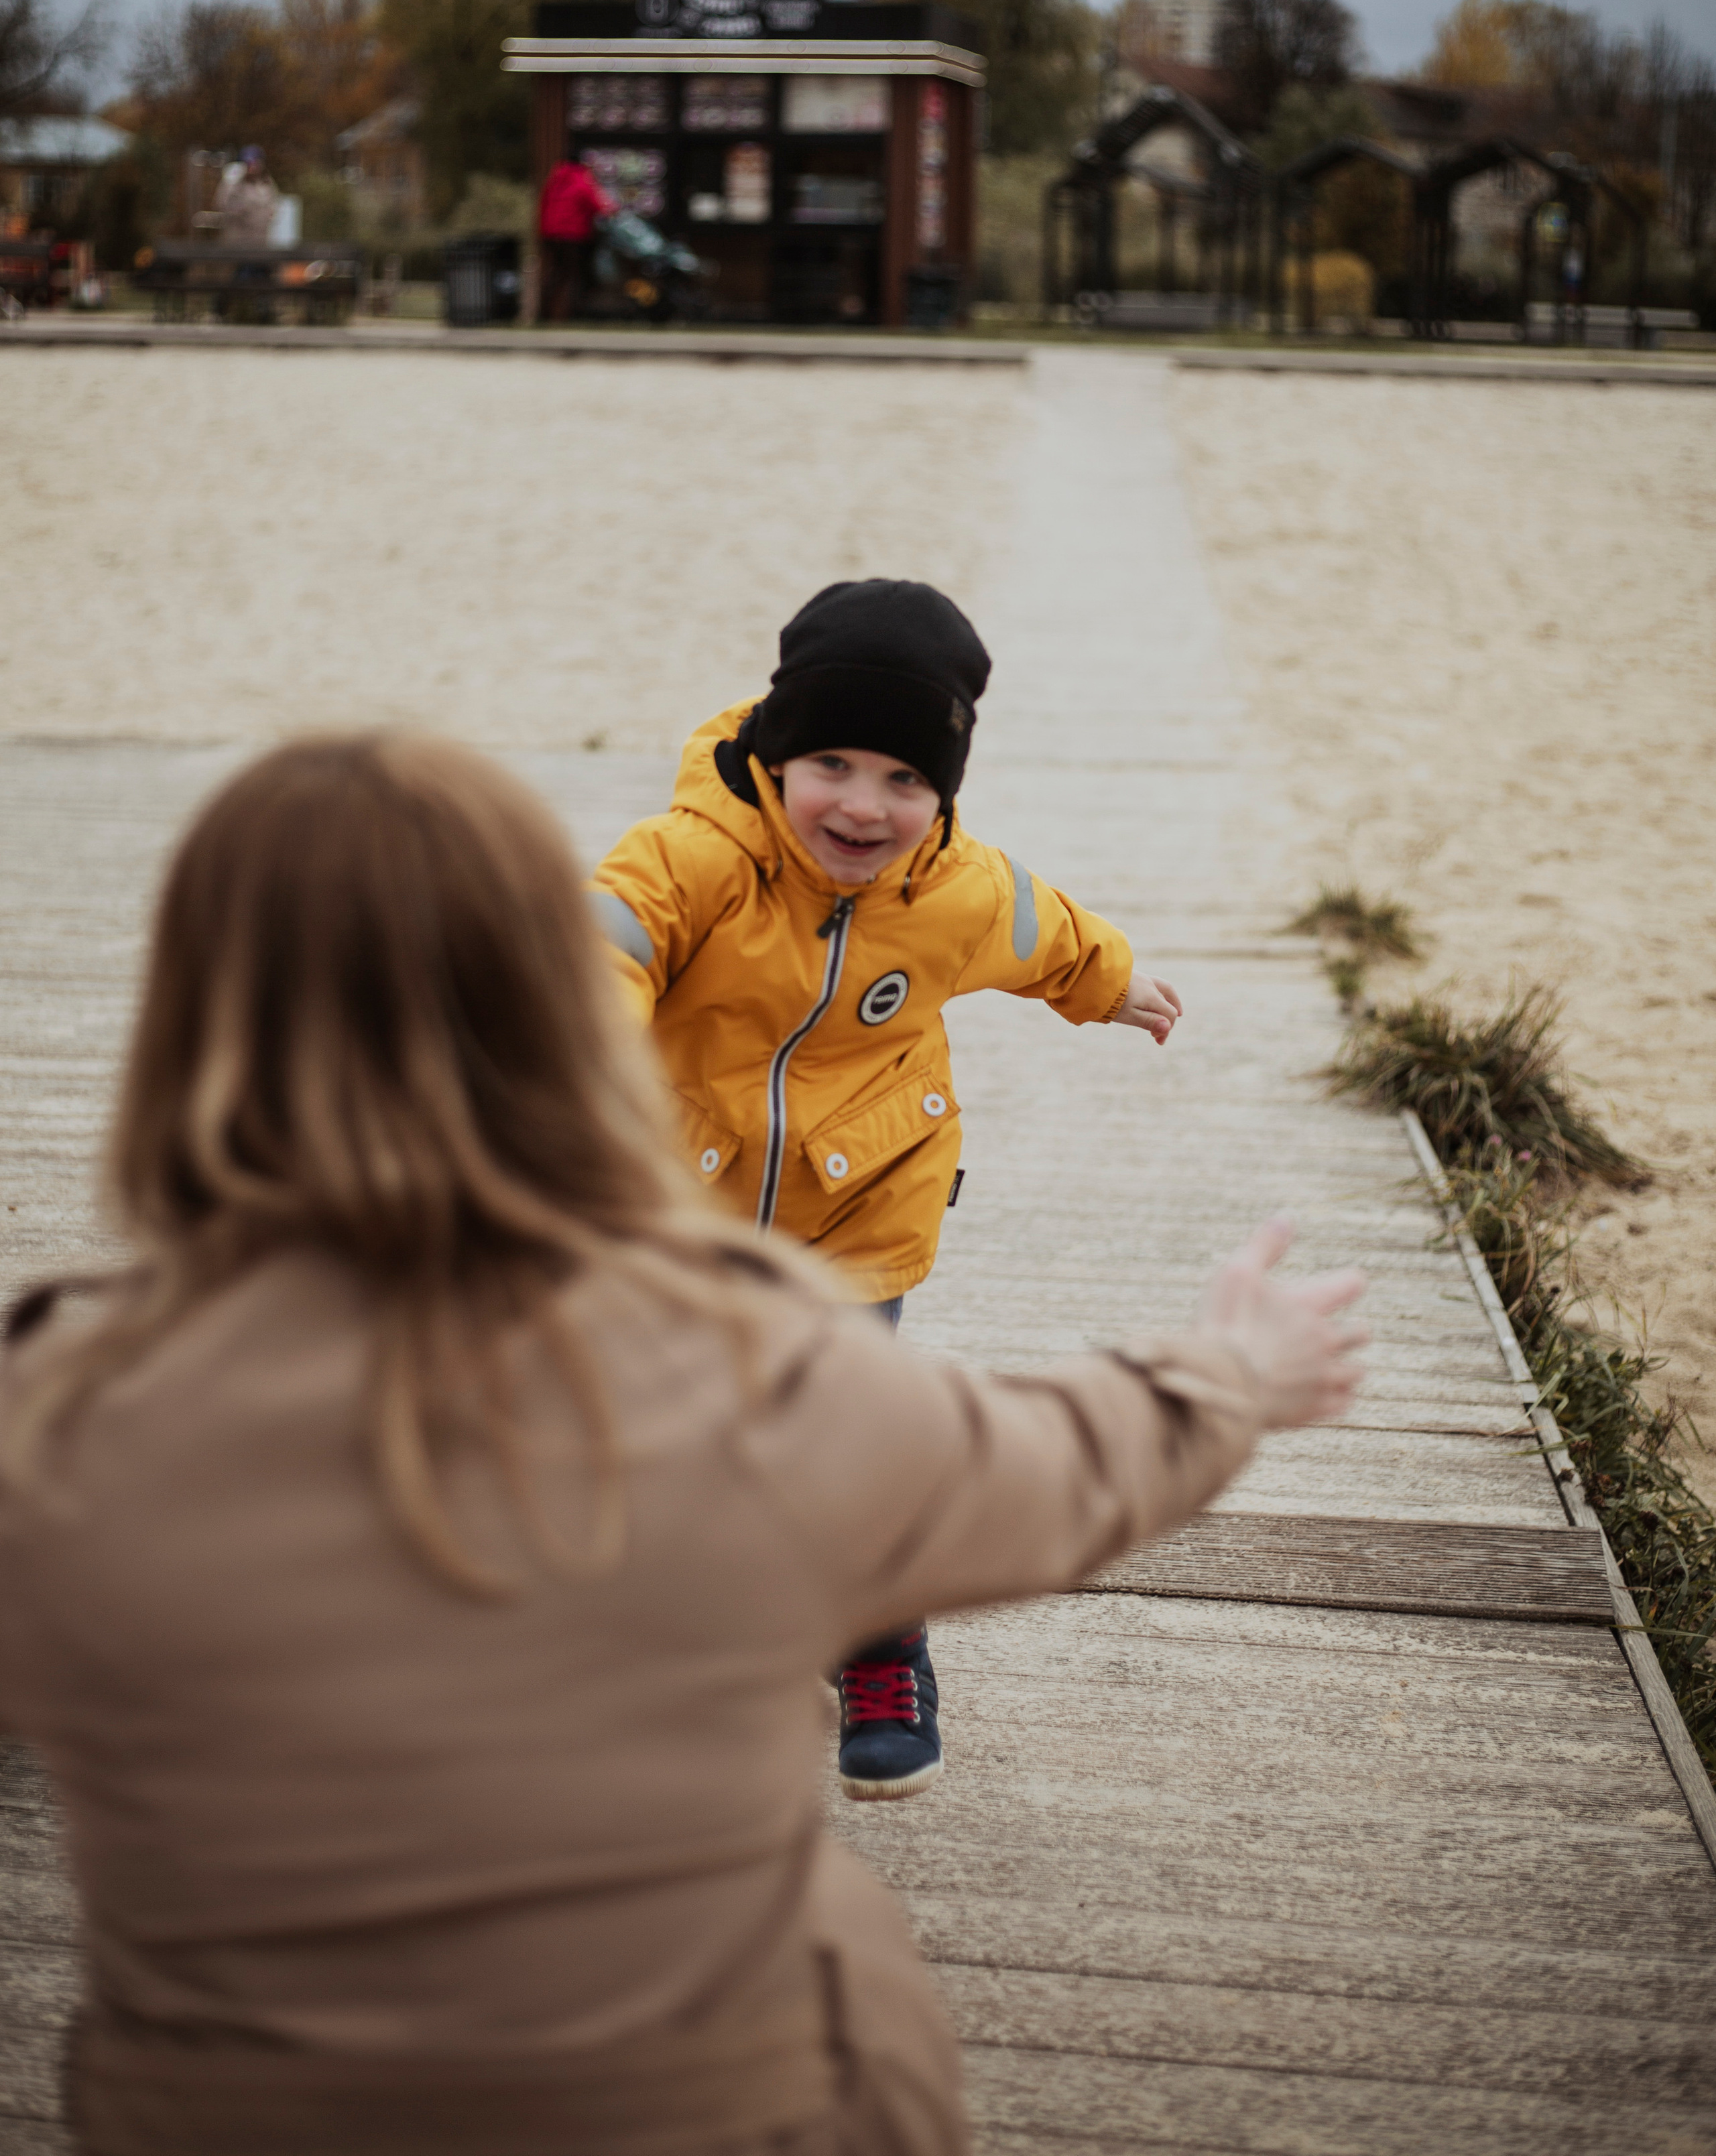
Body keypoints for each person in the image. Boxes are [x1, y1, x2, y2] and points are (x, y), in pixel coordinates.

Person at [0, 734, 1365, 2156]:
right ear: (553, 1010)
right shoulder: (737, 1356)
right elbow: (1048, 1471)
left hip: (233, 2118)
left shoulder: (63, 1411)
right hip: (693, 2113)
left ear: (186, 1020)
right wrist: (1230, 1378)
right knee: (843, 1942)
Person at [590, 579, 1186, 1803]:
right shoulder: (693, 858)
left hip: (855, 1212)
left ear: (945, 790)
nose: (865, 806)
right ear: (773, 750)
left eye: (907, 779)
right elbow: (599, 942)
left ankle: (879, 1640)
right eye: (832, 763)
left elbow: (1046, 929)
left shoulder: (954, 889)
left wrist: (1112, 982)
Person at [538, 150, 615, 320]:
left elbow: (543, 206)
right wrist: (613, 210)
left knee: (554, 274)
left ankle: (544, 314)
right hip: (573, 235)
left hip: (551, 235)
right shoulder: (581, 178)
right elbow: (599, 205)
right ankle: (569, 315)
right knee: (572, 275)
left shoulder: (554, 179)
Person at [213, 145, 279, 244]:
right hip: (236, 241)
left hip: (259, 241)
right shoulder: (232, 183)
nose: (253, 167)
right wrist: (235, 182)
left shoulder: (266, 183)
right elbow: (222, 203)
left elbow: (273, 205)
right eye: (249, 164)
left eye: (256, 163)